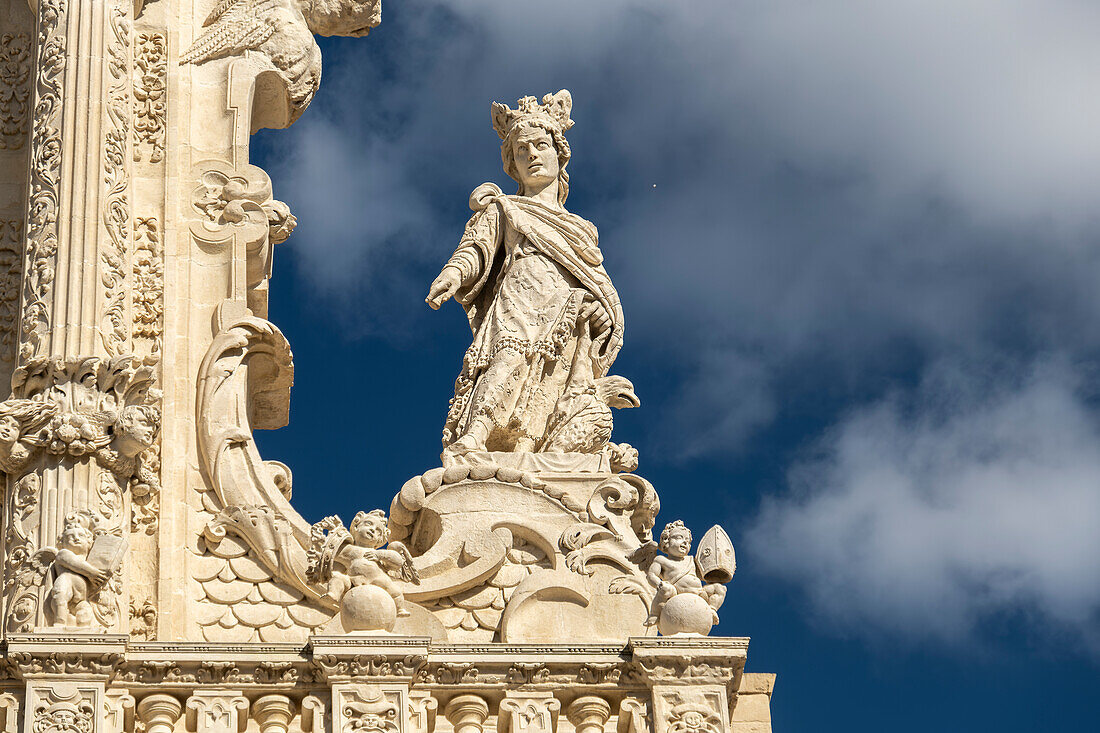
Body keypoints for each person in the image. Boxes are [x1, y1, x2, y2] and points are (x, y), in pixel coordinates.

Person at [426, 91, 624, 455]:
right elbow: (477, 247)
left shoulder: (582, 228)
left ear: (559, 154)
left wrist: (599, 312)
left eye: (540, 145)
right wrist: (453, 274)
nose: (531, 155)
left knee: (553, 371)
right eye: (521, 150)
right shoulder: (505, 208)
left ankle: (528, 450)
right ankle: (476, 436)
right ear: (512, 164)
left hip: (566, 306)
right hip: (518, 292)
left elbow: (595, 280)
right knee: (508, 355)